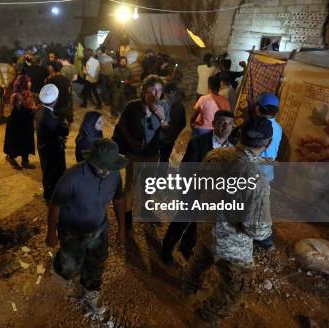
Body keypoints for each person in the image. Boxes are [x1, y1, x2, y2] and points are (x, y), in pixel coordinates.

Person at [181, 116, 274, 324]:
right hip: (232, 246)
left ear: (239, 134)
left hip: (205, 226)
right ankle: (205, 317)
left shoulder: (214, 156)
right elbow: (257, 230)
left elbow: (197, 186)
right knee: (235, 287)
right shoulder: (257, 180)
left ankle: (188, 289)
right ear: (268, 143)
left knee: (200, 259)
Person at [46, 138, 128, 316]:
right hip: (72, 231)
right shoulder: (71, 178)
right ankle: (64, 263)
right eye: (102, 166)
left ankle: (91, 291)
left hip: (99, 228)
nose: (106, 171)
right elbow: (55, 206)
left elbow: (119, 199)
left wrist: (122, 228)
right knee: (68, 267)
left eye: (110, 166)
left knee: (96, 263)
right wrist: (51, 233)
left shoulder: (114, 174)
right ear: (92, 160)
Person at [161, 110, 235, 265]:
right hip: (193, 193)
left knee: (197, 226)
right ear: (214, 123)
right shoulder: (198, 143)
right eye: (222, 122)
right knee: (180, 222)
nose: (225, 126)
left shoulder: (232, 149)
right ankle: (166, 249)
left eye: (229, 123)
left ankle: (186, 249)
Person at [113, 75, 169, 235]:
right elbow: (121, 125)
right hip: (135, 154)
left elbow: (167, 132)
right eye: (153, 89)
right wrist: (131, 141)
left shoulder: (163, 107)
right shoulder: (132, 106)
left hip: (153, 154)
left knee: (148, 185)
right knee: (130, 186)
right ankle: (127, 219)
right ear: (145, 89)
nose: (156, 93)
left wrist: (162, 118)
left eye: (159, 90)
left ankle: (146, 212)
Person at [253, 92, 283, 252]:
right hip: (267, 173)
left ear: (259, 108)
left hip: (257, 171)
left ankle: (265, 240)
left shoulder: (261, 126)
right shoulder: (278, 127)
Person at [35, 84, 70, 202]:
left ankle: (48, 194)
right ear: (55, 99)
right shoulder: (50, 117)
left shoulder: (40, 111)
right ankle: (52, 197)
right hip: (52, 150)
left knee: (47, 171)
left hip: (44, 147)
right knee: (54, 173)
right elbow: (65, 130)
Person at [3, 75, 37, 170]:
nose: (30, 83)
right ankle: (11, 158)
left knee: (26, 141)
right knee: (15, 141)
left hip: (25, 122)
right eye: (28, 81)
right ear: (23, 83)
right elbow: (19, 110)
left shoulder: (29, 94)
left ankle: (25, 161)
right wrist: (33, 110)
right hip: (16, 123)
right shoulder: (16, 95)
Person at [159, 82, 187, 163]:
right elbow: (183, 123)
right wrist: (175, 133)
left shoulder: (159, 104)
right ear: (173, 92)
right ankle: (162, 175)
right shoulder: (179, 106)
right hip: (170, 139)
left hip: (158, 138)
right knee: (164, 159)